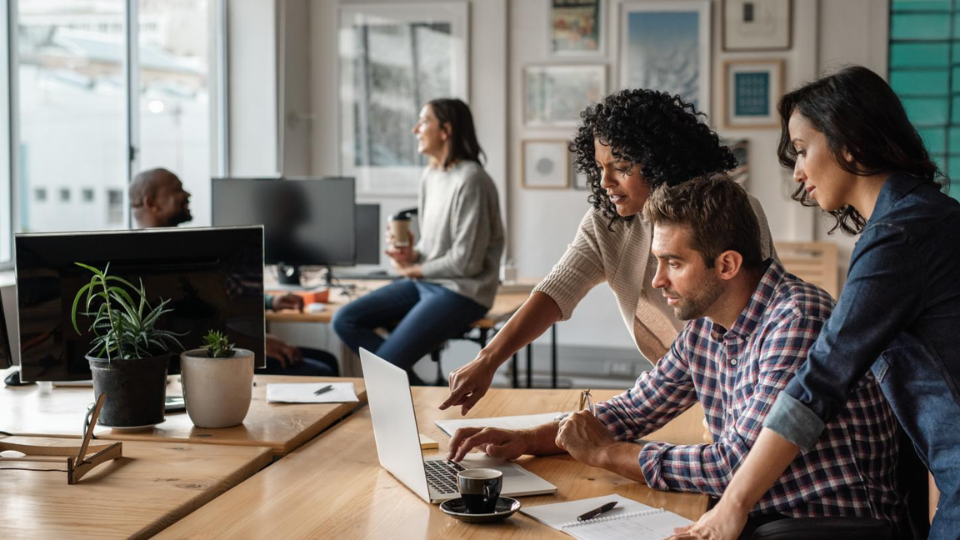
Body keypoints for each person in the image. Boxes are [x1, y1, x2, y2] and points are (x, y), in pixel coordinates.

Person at [447, 175, 902, 532]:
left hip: (827, 522)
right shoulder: (707, 324)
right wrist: (532, 439)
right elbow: (634, 409)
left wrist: (608, 456)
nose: (658, 280)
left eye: (674, 263)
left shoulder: (796, 319)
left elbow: (731, 466)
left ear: (727, 265)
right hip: (764, 511)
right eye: (658, 261)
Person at [673, 66, 960, 540]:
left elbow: (821, 379)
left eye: (804, 150)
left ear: (851, 143)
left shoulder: (900, 236)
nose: (799, 173)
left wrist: (734, 503)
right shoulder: (921, 218)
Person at [442, 89, 776, 415]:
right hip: (678, 384)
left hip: (747, 382)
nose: (604, 181)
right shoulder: (609, 221)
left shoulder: (726, 211)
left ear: (661, 161)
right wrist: (487, 360)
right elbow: (556, 290)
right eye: (600, 167)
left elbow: (755, 317)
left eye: (620, 166)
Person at [332, 98, 504, 384]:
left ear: (445, 130)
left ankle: (405, 389)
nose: (415, 129)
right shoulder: (430, 176)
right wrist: (412, 255)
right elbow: (433, 249)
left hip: (463, 292)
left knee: (385, 365)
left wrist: (415, 270)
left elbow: (467, 262)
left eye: (423, 121)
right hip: (427, 283)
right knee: (344, 320)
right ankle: (416, 390)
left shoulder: (472, 180)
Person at [129, 171, 335, 377]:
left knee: (328, 360)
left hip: (227, 345)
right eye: (177, 189)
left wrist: (271, 302)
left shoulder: (177, 250)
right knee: (322, 370)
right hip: (207, 361)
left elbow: (218, 297)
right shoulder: (149, 262)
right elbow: (188, 332)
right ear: (151, 203)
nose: (187, 194)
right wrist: (257, 345)